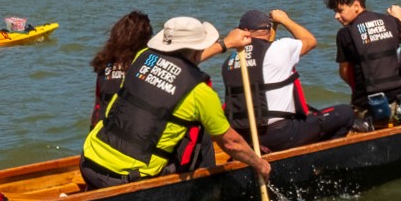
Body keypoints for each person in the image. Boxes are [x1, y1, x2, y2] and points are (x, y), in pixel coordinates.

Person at [81, 17, 272, 188]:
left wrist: (225, 44)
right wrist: (260, 165)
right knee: (201, 135)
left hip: (88, 161)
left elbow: (176, 69)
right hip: (124, 178)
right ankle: (208, 191)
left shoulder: (142, 58)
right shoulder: (200, 92)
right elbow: (231, 143)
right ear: (198, 49)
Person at [219, 9, 352, 151]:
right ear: (269, 31)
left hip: (245, 136)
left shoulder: (228, 62)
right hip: (280, 134)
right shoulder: (280, 48)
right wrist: (284, 20)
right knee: (345, 113)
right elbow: (310, 41)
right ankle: (322, 162)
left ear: (244, 31)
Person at [326, 0, 401, 126]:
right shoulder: (391, 21)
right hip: (399, 99)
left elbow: (344, 72)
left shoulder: (345, 34)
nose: (336, 16)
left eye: (340, 10)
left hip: (367, 103)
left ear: (356, 5)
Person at [88, 10, 153, 127]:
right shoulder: (146, 65)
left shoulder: (104, 63)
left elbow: (97, 105)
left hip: (99, 130)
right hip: (128, 131)